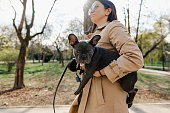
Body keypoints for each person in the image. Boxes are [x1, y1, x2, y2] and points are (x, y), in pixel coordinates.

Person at [69, 0, 144, 113]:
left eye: (96, 6)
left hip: (107, 100)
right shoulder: (95, 33)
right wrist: (78, 65)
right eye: (90, 8)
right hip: (89, 96)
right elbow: (96, 61)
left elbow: (134, 58)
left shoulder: (114, 27)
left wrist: (102, 72)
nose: (91, 10)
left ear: (108, 11)